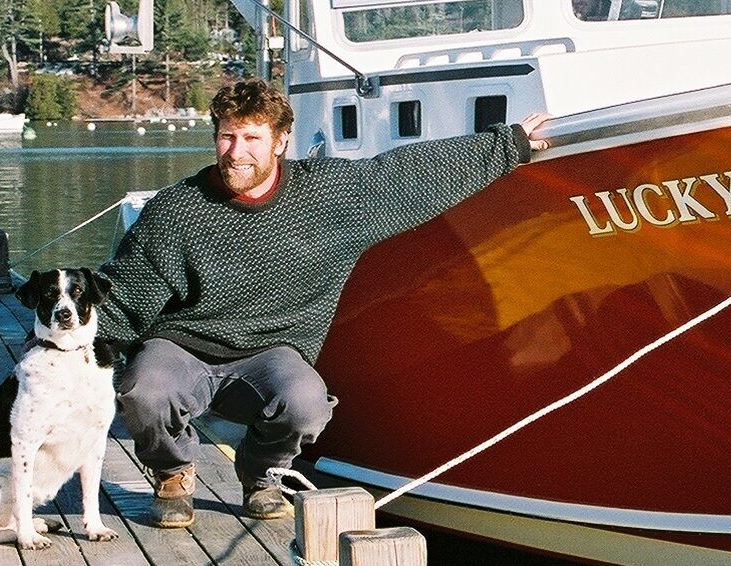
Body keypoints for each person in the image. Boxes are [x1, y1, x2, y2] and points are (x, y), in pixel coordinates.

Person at [97, 78, 547, 528]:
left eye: (252, 137)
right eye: (227, 136)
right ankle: (173, 471)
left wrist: (508, 145)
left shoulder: (328, 196)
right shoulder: (177, 211)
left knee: (307, 402)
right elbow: (123, 297)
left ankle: (260, 474)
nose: (236, 151)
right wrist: (65, 358)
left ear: (281, 141)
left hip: (270, 355)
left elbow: (410, 173)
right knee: (143, 389)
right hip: (182, 349)